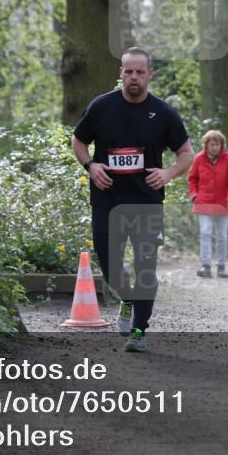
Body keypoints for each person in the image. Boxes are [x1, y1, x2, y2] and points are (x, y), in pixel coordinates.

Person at [72, 47, 194, 353]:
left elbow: (186, 154)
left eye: (140, 71)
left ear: (150, 74)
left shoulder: (163, 113)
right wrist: (91, 165)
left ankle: (139, 330)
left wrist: (168, 174)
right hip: (107, 199)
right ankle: (126, 297)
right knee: (109, 261)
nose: (134, 77)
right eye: (129, 71)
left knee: (145, 265)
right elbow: (79, 140)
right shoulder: (102, 107)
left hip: (146, 201)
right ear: (120, 73)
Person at [189, 130, 228, 279]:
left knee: (222, 236)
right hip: (203, 202)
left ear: (222, 145)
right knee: (205, 233)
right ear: (206, 145)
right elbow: (192, 178)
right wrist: (194, 194)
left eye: (218, 144)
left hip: (223, 203)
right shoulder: (199, 159)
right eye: (212, 144)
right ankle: (205, 266)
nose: (215, 147)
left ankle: (221, 266)